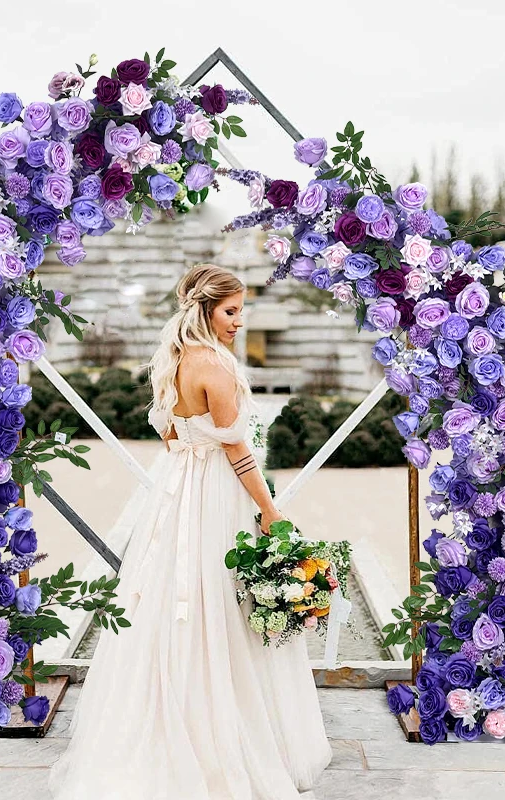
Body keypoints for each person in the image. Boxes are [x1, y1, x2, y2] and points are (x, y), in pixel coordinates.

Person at [48, 264, 331, 799]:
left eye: (242, 310)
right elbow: (238, 452)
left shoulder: (175, 360)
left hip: (178, 489)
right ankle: (218, 734)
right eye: (231, 311)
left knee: (175, 604)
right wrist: (270, 512)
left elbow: (176, 437)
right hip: (211, 495)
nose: (240, 321)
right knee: (216, 605)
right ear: (205, 310)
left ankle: (177, 710)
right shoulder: (214, 368)